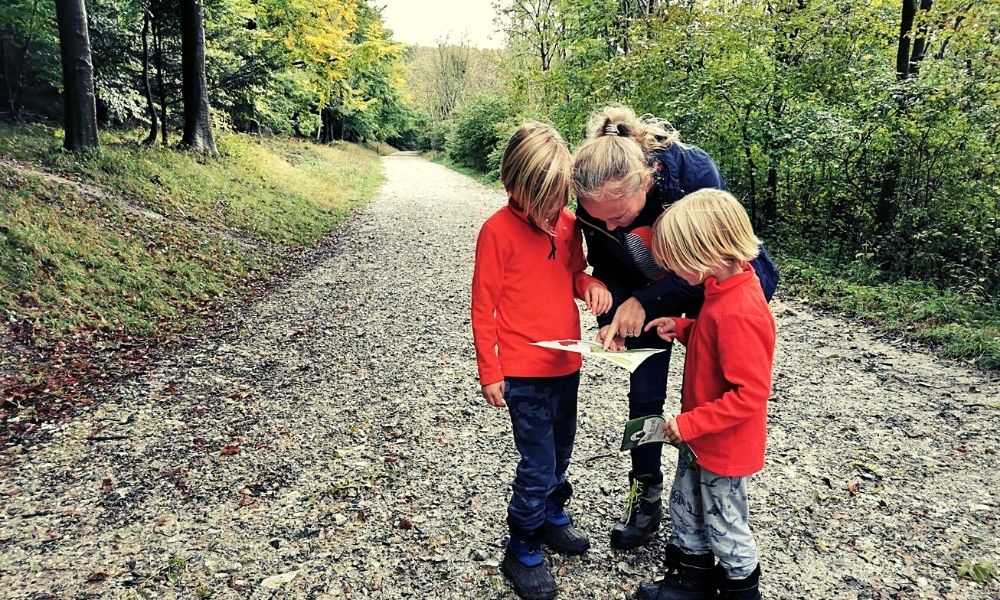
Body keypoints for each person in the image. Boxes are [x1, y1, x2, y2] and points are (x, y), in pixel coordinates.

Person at [570, 105, 779, 549]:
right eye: (598, 218)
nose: (608, 225)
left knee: (712, 393)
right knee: (644, 394)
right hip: (649, 303)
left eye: (619, 216)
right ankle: (645, 491)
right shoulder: (593, 199)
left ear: (644, 181)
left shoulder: (692, 173)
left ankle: (715, 493)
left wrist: (644, 303)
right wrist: (614, 317)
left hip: (708, 294)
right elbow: (606, 265)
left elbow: (717, 263)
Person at [472, 121, 612, 600]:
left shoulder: (569, 225)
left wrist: (590, 285)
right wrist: (490, 369)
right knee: (537, 462)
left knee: (563, 445)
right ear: (514, 185)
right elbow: (483, 306)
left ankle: (552, 515)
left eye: (558, 197)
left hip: (566, 365)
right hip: (522, 372)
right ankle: (523, 545)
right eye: (541, 199)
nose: (551, 209)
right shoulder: (496, 232)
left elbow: (574, 273)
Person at [635, 188, 775, 600]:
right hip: (699, 437)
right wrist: (682, 329)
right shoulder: (721, 290)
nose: (674, 269)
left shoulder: (743, 310)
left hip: (722, 444)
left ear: (711, 250)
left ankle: (740, 590)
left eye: (680, 259)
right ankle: (690, 580)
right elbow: (713, 344)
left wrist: (690, 423)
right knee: (687, 505)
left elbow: (750, 393)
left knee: (726, 526)